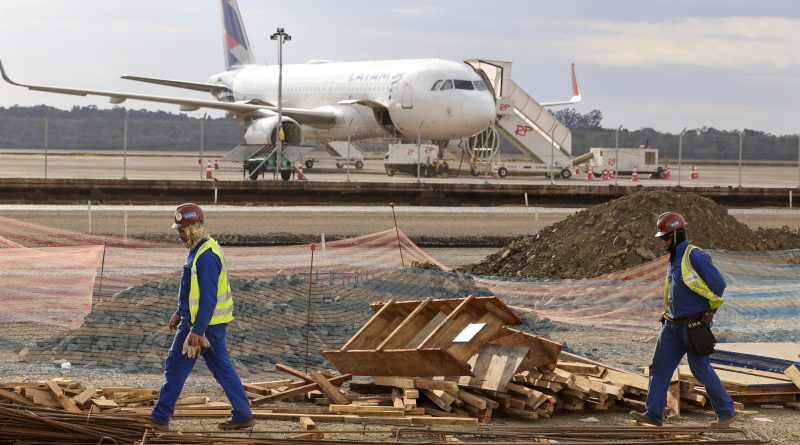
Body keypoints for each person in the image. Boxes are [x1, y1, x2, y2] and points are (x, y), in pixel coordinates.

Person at [150, 203, 254, 432]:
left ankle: (159, 419)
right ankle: (243, 414)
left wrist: (196, 330)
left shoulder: (206, 256)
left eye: (181, 230)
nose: (179, 235)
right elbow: (191, 289)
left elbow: (208, 298)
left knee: (175, 368)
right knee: (222, 367)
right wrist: (180, 311)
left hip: (202, 325)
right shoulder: (200, 249)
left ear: (193, 228)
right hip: (209, 323)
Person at [630, 211, 736, 428]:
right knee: (659, 368)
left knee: (701, 369)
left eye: (666, 238)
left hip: (694, 326)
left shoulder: (695, 255)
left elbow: (719, 285)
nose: (663, 242)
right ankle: (653, 415)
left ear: (677, 234)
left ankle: (726, 414)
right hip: (671, 326)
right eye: (662, 238)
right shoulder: (673, 258)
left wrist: (708, 313)